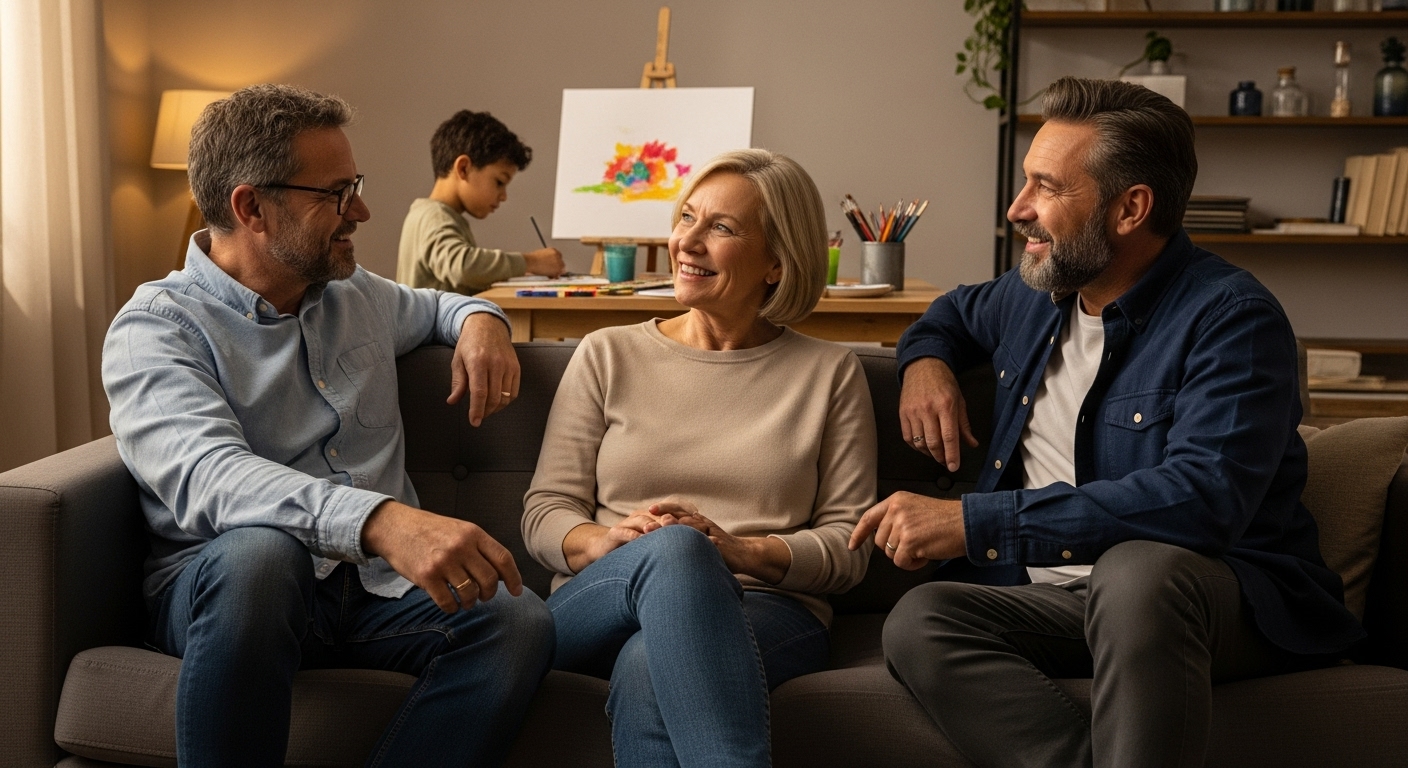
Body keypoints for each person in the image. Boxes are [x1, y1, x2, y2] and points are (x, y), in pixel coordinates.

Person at [850, 77, 1363, 768]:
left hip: (1216, 600)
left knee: (1136, 574)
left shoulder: (1232, 320)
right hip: (1059, 600)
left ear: (1130, 209)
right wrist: (925, 366)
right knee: (922, 618)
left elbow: (1204, 501)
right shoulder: (1034, 292)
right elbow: (944, 317)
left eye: (1045, 187)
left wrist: (973, 521)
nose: (1017, 208)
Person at [102, 84, 555, 768]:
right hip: (232, 591)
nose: (363, 211)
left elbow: (437, 306)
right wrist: (381, 521)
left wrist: (482, 321)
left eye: (358, 185)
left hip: (373, 593)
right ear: (251, 207)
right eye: (337, 193)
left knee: (516, 621)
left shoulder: (355, 294)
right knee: (262, 554)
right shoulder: (158, 329)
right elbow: (209, 478)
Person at [522, 149, 877, 768]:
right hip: (602, 599)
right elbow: (545, 511)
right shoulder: (607, 355)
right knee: (674, 550)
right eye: (686, 217)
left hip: (765, 607)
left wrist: (737, 551)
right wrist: (610, 543)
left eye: (721, 228)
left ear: (777, 261)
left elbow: (850, 546)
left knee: (647, 661)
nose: (687, 241)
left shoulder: (830, 374)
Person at [396, 109, 565, 293]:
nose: (504, 196)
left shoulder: (432, 215)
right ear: (464, 168)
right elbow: (462, 267)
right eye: (499, 182)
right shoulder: (435, 216)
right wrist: (531, 262)